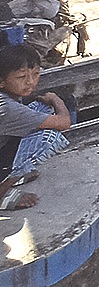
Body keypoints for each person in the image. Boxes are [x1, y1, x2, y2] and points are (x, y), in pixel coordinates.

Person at [0, 43, 73, 205]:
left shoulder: (9, 98)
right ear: (1, 82)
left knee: (43, 108)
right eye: (21, 77)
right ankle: (2, 191)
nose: (31, 82)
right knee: (49, 137)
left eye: (36, 74)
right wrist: (55, 99)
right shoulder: (7, 107)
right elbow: (64, 123)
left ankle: (14, 170)